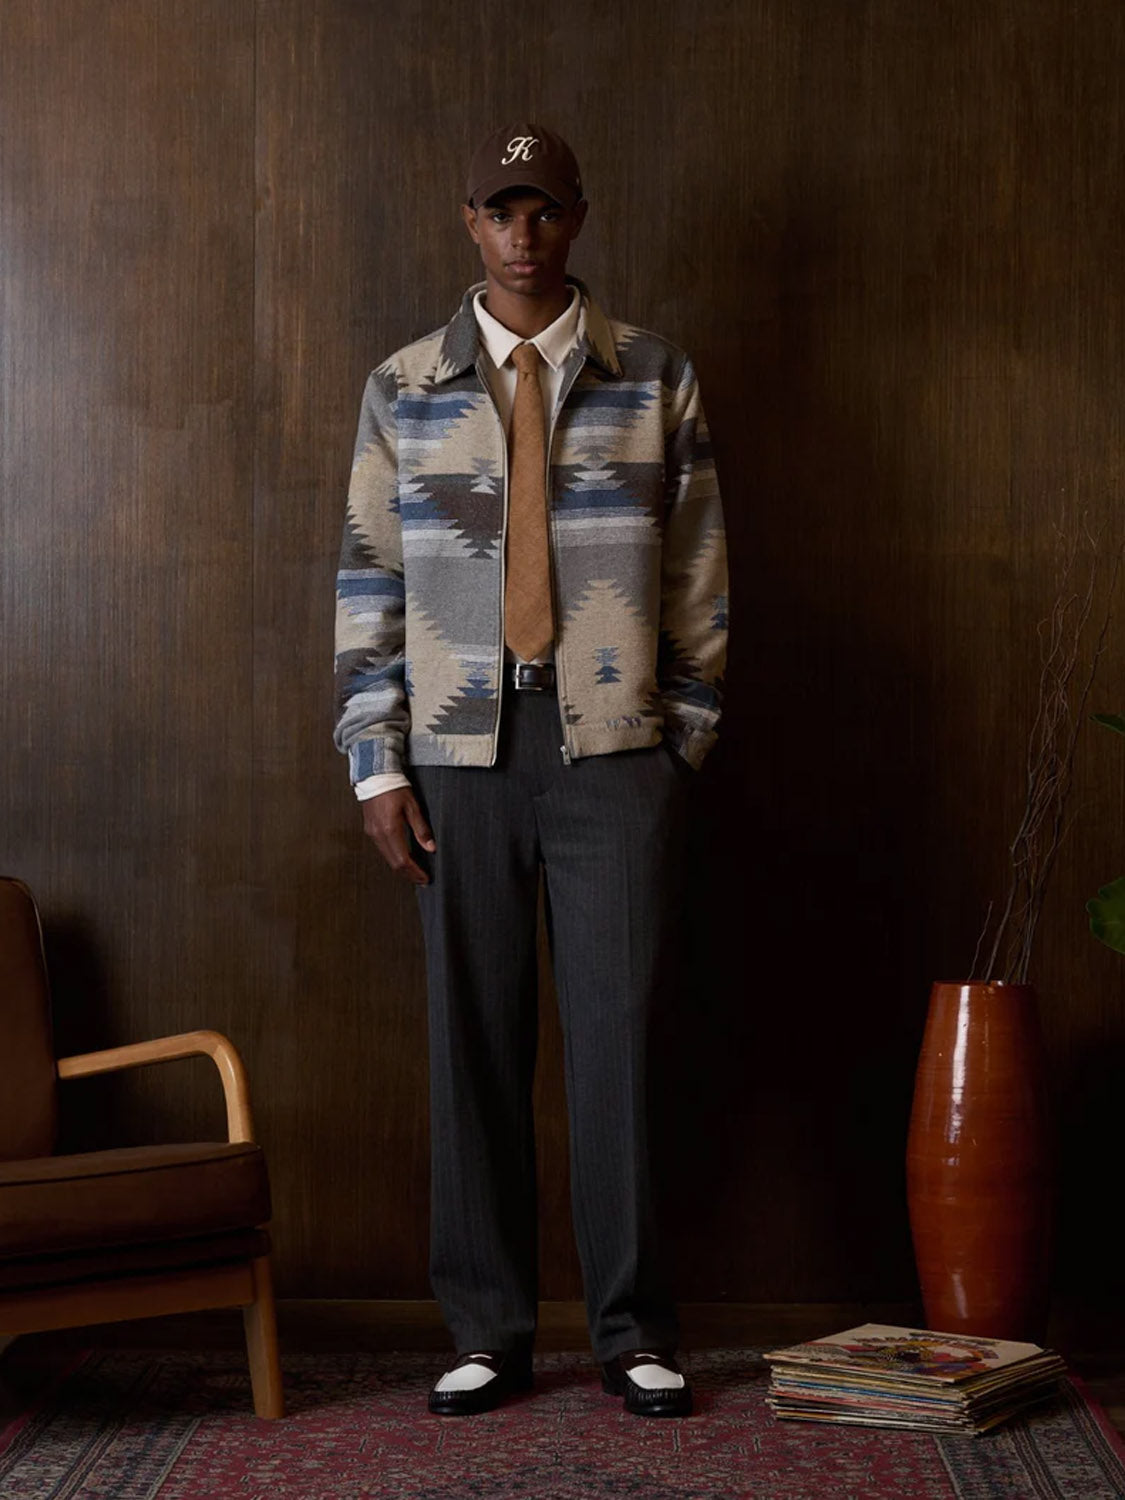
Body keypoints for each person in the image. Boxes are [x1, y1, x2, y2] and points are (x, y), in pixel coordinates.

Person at [334, 122, 728, 1419]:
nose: (522, 234)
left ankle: (633, 1329)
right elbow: (369, 580)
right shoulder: (405, 387)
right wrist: (376, 764)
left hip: (613, 754)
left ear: (577, 219)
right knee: (474, 1042)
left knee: (618, 1045)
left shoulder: (651, 376)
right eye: (501, 211)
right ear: (469, 222)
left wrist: (681, 736)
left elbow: (698, 569)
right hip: (458, 751)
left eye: (544, 210)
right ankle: (488, 1329)